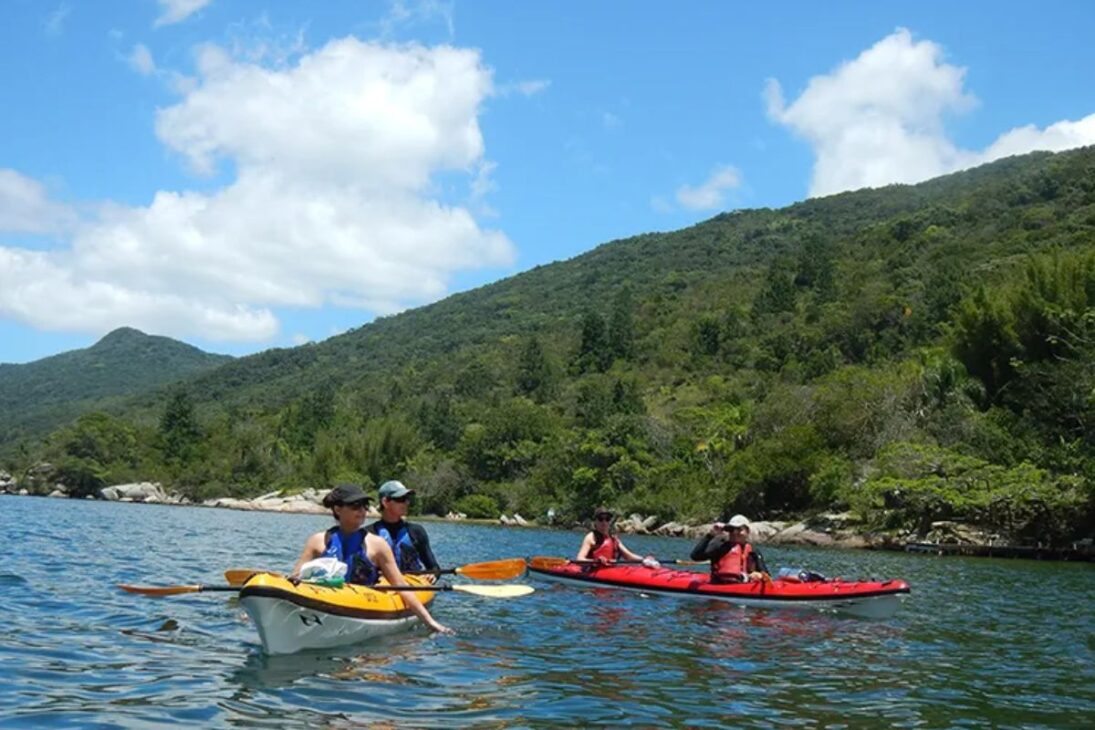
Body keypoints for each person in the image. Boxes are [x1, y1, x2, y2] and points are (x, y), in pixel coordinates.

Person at [290, 483, 451, 634]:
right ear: (338, 509)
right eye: (355, 506)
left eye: (364, 505)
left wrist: (431, 623)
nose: (362, 511)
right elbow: (296, 575)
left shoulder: (377, 545)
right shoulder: (317, 541)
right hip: (328, 598)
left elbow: (401, 586)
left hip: (365, 601)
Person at [367, 480, 439, 573]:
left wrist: (433, 575)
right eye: (401, 499)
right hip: (381, 584)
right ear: (385, 502)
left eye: (407, 499)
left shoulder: (416, 532)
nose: (406, 503)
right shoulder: (369, 533)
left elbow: (434, 568)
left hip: (410, 584)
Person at [690, 513, 769, 583]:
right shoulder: (720, 546)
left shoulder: (753, 551)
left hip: (745, 587)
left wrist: (760, 575)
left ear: (747, 531)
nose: (735, 533)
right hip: (719, 587)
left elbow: (766, 574)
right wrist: (710, 535)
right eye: (732, 530)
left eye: (739, 529)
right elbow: (695, 556)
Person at [576, 507, 658, 566]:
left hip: (610, 571)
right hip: (591, 571)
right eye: (601, 519)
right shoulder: (590, 537)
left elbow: (629, 556)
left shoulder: (614, 538)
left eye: (607, 519)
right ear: (595, 522)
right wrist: (595, 561)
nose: (604, 522)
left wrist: (645, 559)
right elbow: (579, 559)